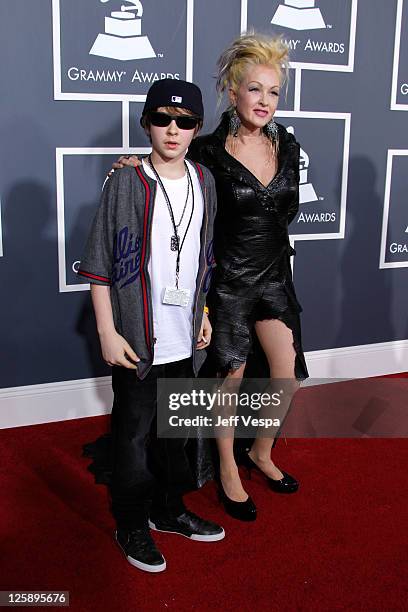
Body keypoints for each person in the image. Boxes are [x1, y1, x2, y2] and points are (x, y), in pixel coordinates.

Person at [111, 33, 309, 522]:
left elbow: (285, 212)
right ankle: (227, 468)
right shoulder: (206, 150)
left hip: (275, 277)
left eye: (274, 92)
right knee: (230, 380)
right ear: (234, 92)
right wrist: (133, 164)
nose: (265, 101)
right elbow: (167, 167)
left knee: (287, 374)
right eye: (256, 90)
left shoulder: (288, 144)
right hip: (228, 284)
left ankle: (261, 452)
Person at [78, 78, 224, 574]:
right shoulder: (125, 181)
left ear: (197, 128)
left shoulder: (205, 181)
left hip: (185, 333)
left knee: (173, 435)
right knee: (134, 436)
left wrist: (202, 313)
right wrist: (106, 331)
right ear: (146, 123)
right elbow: (98, 263)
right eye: (162, 118)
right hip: (138, 338)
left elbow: (202, 257)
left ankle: (167, 509)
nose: (173, 129)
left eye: (184, 122)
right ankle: (131, 521)